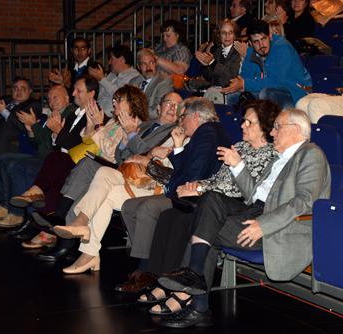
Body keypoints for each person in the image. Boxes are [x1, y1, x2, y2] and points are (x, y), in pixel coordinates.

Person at [157, 109, 331, 328]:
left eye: (278, 127)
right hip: (254, 210)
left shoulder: (311, 154)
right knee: (210, 201)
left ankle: (196, 300)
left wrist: (264, 225)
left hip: (276, 225)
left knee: (206, 227)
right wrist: (238, 165)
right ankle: (193, 279)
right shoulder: (280, 158)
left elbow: (305, 202)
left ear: (296, 130)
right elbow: (252, 194)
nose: (273, 132)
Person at [137, 100, 280, 315]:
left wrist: (202, 191)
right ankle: (165, 280)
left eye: (249, 122)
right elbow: (218, 179)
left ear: (265, 128)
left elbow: (246, 192)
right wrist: (197, 186)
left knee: (187, 217)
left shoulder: (270, 155)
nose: (242, 126)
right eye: (243, 121)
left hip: (236, 207)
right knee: (171, 215)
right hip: (214, 200)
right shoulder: (239, 147)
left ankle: (182, 288)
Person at [50, 92, 184, 274]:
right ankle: (83, 233)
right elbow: (122, 158)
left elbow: (149, 158)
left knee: (104, 187)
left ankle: (87, 247)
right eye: (168, 103)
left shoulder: (175, 132)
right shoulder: (146, 126)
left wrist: (132, 137)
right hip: (128, 173)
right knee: (102, 173)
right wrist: (124, 144)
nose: (172, 108)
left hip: (149, 182)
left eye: (177, 105)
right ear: (159, 107)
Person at [115, 98, 232, 292]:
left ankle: (145, 270)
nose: (182, 121)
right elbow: (184, 168)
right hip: (184, 191)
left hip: (194, 196)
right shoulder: (205, 133)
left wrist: (172, 186)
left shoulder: (207, 132)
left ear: (195, 116)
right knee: (129, 207)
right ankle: (149, 259)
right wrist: (178, 145)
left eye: (184, 117)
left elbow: (195, 175)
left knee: (146, 209)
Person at [22, 85, 149, 261]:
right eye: (113, 101)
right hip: (100, 166)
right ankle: (65, 236)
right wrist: (91, 124)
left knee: (84, 165)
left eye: (119, 100)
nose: (114, 104)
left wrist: (99, 125)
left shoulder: (137, 124)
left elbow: (111, 153)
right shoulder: (114, 121)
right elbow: (89, 139)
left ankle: (60, 221)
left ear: (133, 103)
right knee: (80, 180)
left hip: (116, 171)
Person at [0, 85, 76, 228]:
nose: (52, 101)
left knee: (15, 166)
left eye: (55, 97)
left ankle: (18, 214)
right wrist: (31, 131)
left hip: (53, 161)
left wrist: (35, 126)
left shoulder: (70, 115)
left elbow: (51, 146)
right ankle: (5, 205)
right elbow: (40, 142)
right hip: (44, 156)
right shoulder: (54, 115)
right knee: (3, 159)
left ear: (67, 98)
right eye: (49, 99)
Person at [221, 19, 312, 108]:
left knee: (267, 94)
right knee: (233, 96)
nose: (262, 45)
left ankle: (263, 121)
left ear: (270, 36)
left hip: (297, 93)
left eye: (264, 38)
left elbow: (275, 81)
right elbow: (245, 76)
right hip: (271, 90)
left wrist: (244, 84)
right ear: (250, 43)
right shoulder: (252, 53)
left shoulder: (282, 47)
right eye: (256, 41)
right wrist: (237, 83)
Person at [88, 45, 141, 117]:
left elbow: (120, 96)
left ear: (122, 59)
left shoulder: (134, 77)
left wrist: (102, 79)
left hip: (114, 118)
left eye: (111, 59)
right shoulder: (111, 75)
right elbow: (100, 98)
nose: (109, 62)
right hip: (98, 114)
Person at [193, 19, 243, 90]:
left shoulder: (238, 52)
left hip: (231, 90)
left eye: (230, 32)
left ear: (234, 36)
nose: (227, 36)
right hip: (215, 89)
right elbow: (210, 78)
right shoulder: (217, 51)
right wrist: (205, 66)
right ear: (219, 36)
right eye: (223, 33)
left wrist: (212, 62)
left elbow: (231, 77)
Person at [130, 48, 174, 119]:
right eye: (144, 64)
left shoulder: (164, 82)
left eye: (151, 62)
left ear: (155, 64)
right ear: (138, 66)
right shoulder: (133, 82)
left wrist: (134, 111)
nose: (148, 67)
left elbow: (157, 112)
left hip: (150, 124)